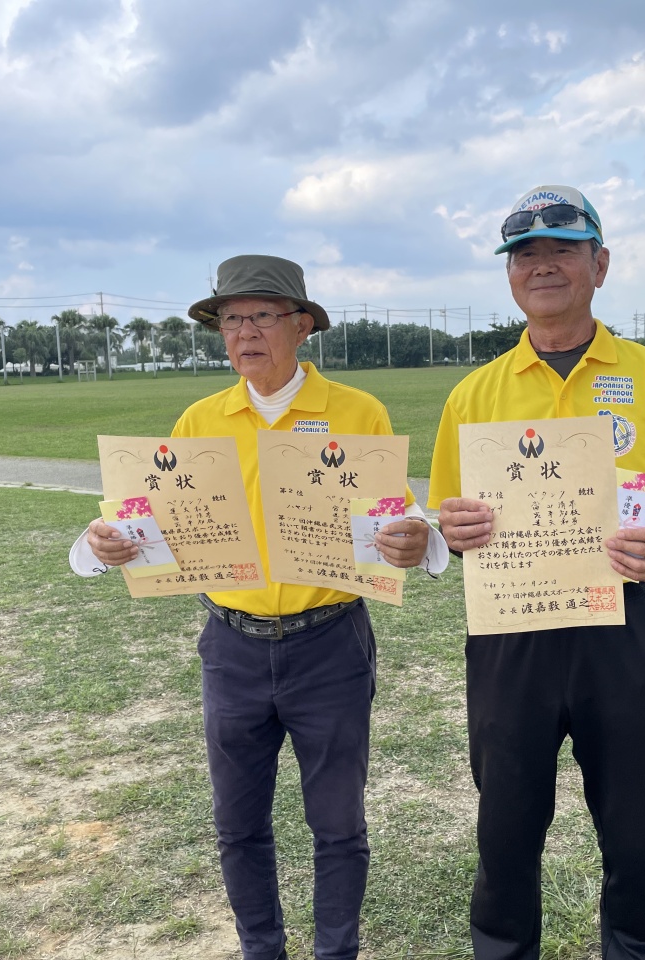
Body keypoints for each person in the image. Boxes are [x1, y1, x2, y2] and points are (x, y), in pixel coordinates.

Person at [71, 254, 447, 960]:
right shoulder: (200, 420)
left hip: (330, 643)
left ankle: (336, 952)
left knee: (338, 824)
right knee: (237, 824)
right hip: (232, 647)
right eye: (231, 319)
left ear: (302, 326)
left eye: (262, 316)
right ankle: (260, 949)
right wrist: (103, 543)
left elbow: (394, 514)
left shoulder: (357, 413)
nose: (245, 332)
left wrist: (414, 537)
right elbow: (146, 520)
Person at [429, 185, 645, 960]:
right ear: (509, 275)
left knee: (635, 835)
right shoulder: (473, 394)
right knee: (505, 832)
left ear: (600, 264)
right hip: (511, 631)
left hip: (623, 629)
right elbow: (452, 523)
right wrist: (454, 533)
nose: (543, 266)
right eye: (525, 254)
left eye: (562, 250)